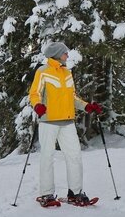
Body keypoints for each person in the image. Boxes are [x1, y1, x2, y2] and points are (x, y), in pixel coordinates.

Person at [28, 42, 103, 207]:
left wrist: (87, 106)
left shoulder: (67, 73)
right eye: (65, 53)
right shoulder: (43, 71)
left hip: (67, 121)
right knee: (47, 156)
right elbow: (34, 93)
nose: (67, 55)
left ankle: (75, 193)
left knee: (74, 156)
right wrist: (37, 105)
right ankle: (47, 194)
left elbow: (73, 97)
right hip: (48, 121)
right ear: (57, 55)